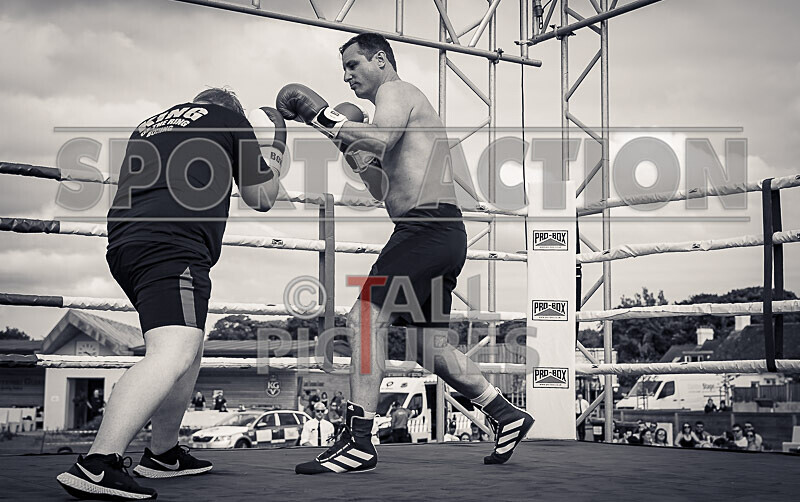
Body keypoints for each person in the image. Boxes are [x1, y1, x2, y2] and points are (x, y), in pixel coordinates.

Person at [280, 32, 534, 475]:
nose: (347, 76)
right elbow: (383, 184)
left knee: (364, 317)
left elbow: (380, 139)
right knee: (424, 343)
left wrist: (322, 116)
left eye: (353, 66)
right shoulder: (395, 110)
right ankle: (505, 412)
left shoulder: (396, 92)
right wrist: (344, 142)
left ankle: (358, 440)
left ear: (380, 59)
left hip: (427, 227)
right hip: (435, 229)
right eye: (343, 71)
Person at [56, 88, 283, 500]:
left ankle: (163, 454)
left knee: (189, 346)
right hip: (173, 244)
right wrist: (275, 150)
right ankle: (98, 463)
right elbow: (262, 198)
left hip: (127, 244)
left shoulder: (149, 125)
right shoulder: (231, 120)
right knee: (172, 350)